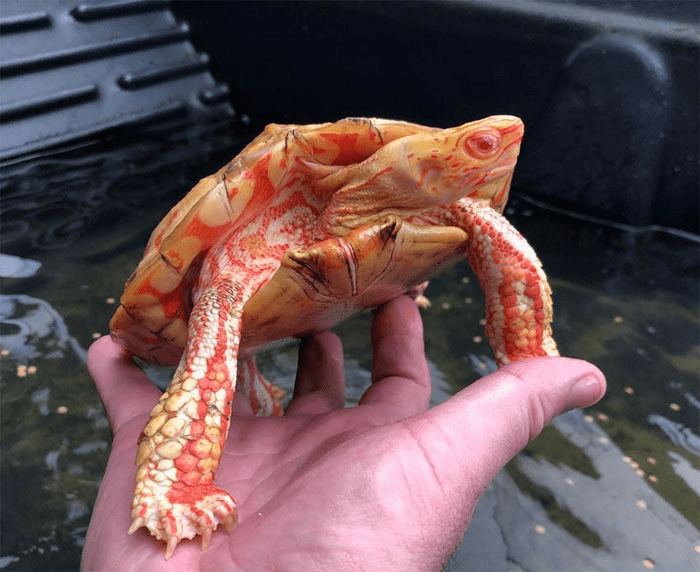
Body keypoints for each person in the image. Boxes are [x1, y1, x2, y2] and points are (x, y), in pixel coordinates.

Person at [81, 295, 605, 571]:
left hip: (332, 277)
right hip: (225, 285)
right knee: (219, 310)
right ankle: (177, 483)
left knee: (227, 343)